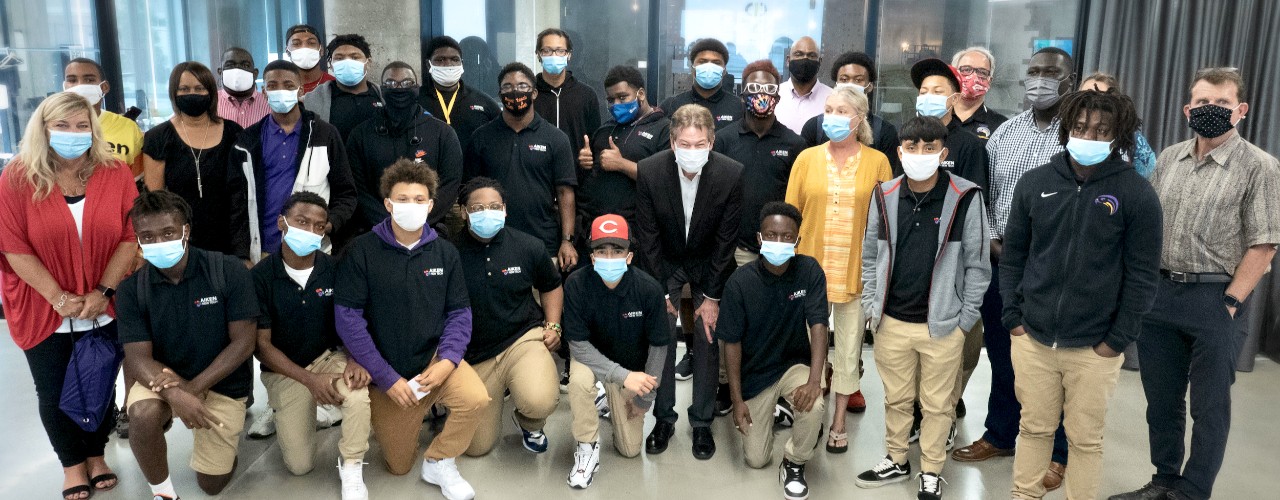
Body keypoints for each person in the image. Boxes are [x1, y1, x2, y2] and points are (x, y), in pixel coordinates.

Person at [1111, 67, 1280, 500]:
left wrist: (1230, 302)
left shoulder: (1260, 166)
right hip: (1161, 295)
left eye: (1222, 102)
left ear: (1241, 110)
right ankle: (1164, 479)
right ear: (1188, 109)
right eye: (1203, 102)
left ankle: (1193, 491)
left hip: (1216, 297)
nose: (1211, 109)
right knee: (1162, 401)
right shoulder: (1170, 158)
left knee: (1210, 406)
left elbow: (1264, 244)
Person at [1002, 89, 1162, 500]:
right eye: (1080, 127)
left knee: (1085, 441)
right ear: (1067, 129)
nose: (1088, 136)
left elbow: (1142, 278)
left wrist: (1115, 342)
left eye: (1101, 130)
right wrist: (1014, 320)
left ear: (1118, 136)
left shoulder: (1137, 193)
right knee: (1033, 429)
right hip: (1033, 340)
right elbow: (1014, 255)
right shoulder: (1035, 183)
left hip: (1095, 348)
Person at [0, 91, 138, 500]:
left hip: (103, 301)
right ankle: (71, 464)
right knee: (53, 389)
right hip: (40, 304)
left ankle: (96, 455)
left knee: (99, 379)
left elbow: (130, 235)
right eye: (62, 125)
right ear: (43, 129)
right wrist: (58, 298)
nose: (73, 133)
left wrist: (103, 291)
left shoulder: (115, 172)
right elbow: (13, 247)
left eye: (82, 126)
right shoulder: (17, 177)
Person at [953, 47, 1075, 493]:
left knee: (1051, 361)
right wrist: (990, 239)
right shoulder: (1007, 131)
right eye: (1034, 71)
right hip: (1000, 262)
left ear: (1069, 80)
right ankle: (1001, 435)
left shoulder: (1077, 134)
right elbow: (983, 194)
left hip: (1052, 267)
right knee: (1003, 354)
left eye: (1050, 73)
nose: (1040, 80)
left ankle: (1058, 452)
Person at [335, 159, 488, 500]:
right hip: (385, 370)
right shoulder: (361, 251)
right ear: (388, 204)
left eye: (419, 199)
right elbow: (348, 318)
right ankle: (399, 424)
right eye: (402, 199)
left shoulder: (445, 252)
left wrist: (448, 361)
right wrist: (386, 378)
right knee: (399, 465)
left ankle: (439, 460)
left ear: (431, 205)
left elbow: (459, 313)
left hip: (433, 360)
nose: (411, 206)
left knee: (476, 398)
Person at [855, 116, 990, 500]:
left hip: (943, 326)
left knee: (937, 405)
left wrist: (964, 321)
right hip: (891, 321)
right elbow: (869, 254)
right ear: (899, 152)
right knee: (897, 399)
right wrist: (872, 306)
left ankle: (931, 470)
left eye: (929, 148)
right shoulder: (884, 195)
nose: (920, 154)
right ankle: (897, 458)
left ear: (943, 154)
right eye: (912, 147)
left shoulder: (965, 197)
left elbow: (978, 266)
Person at [117, 190, 258, 498]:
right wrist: (174, 394)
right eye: (147, 236)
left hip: (221, 383)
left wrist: (192, 390)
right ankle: (163, 493)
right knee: (142, 414)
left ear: (186, 231)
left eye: (168, 232)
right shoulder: (131, 290)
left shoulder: (228, 270)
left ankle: (226, 448)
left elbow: (244, 343)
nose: (158, 242)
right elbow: (137, 359)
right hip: (162, 378)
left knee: (212, 485)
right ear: (138, 240)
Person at [785, 86, 893, 446]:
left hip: (855, 271)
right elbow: (790, 215)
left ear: (859, 118)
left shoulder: (878, 162)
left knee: (848, 349)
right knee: (806, 347)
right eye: (828, 110)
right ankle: (809, 414)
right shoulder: (806, 159)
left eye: (841, 111)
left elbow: (885, 220)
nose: (832, 116)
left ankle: (839, 421)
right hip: (810, 271)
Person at [635, 104, 743, 460]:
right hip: (664, 261)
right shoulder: (650, 171)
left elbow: (726, 241)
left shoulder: (731, 174)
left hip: (708, 263)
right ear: (672, 142)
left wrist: (711, 297)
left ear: (711, 143)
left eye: (699, 144)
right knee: (662, 334)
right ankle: (663, 418)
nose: (692, 151)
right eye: (684, 144)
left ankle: (701, 422)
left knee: (707, 335)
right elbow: (647, 236)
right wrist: (659, 292)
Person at [251, 191, 372, 500]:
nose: (310, 231)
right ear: (282, 223)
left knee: (357, 393)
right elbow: (262, 346)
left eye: (319, 226)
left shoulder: (335, 268)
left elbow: (350, 321)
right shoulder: (260, 277)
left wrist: (354, 359)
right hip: (285, 370)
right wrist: (309, 380)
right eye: (302, 222)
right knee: (300, 466)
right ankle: (295, 411)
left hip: (328, 357)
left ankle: (352, 465)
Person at [720, 201, 828, 500]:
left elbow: (819, 325)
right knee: (756, 460)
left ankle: (794, 462)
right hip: (756, 373)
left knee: (814, 404)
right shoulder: (739, 283)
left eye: (786, 237)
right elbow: (731, 343)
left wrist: (814, 380)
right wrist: (736, 399)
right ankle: (779, 411)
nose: (778, 242)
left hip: (794, 365)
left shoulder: (809, 270)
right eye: (771, 235)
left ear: (797, 240)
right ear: (759, 238)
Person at [453, 177, 562, 456]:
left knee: (538, 399)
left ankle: (529, 422)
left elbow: (551, 285)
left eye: (494, 206)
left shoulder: (528, 246)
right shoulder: (448, 253)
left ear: (504, 209)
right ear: (463, 212)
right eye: (477, 208)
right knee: (476, 448)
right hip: (474, 353)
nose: (486, 213)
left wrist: (553, 325)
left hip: (521, 339)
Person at [563, 214, 669, 488]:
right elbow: (578, 346)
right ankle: (587, 446)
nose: (609, 257)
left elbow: (659, 346)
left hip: (631, 368)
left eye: (617, 250)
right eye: (601, 251)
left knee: (630, 449)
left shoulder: (649, 289)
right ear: (592, 256)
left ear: (630, 256)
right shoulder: (575, 284)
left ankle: (605, 399)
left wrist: (646, 399)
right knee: (579, 383)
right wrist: (622, 376)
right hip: (592, 360)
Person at [227, 59, 358, 262]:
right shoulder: (246, 142)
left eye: (288, 85)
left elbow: (346, 192)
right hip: (262, 252)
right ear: (264, 92)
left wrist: (329, 223)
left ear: (300, 91)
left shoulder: (325, 134)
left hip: (313, 250)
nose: (280, 91)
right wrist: (242, 254)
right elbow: (236, 204)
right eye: (273, 86)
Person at [465, 62, 578, 271]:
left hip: (544, 243)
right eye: (507, 87)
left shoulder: (556, 138)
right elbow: (470, 192)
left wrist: (567, 241)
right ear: (500, 94)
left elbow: (565, 193)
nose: (515, 91)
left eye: (522, 86)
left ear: (534, 93)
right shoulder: (481, 138)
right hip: (492, 242)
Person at [347, 61, 462, 234]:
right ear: (382, 89)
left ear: (416, 88)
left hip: (428, 230)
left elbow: (450, 185)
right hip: (375, 231)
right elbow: (358, 188)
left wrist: (418, 221)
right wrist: (389, 225)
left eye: (407, 83)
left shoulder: (443, 133)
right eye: (391, 83)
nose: (399, 88)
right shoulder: (361, 135)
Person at [141, 61, 243, 257]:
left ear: (211, 92)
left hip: (230, 239)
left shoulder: (234, 133)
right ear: (174, 93)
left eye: (199, 88)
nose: (192, 94)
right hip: (180, 242)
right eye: (184, 89)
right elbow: (156, 200)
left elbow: (242, 194)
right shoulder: (157, 137)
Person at [715, 60, 807, 266]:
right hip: (736, 248)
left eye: (768, 89)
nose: (761, 94)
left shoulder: (795, 144)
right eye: (754, 88)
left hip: (779, 248)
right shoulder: (723, 140)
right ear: (742, 96)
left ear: (777, 98)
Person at [576, 65, 671, 261]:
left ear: (640, 94)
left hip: (638, 232)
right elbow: (590, 176)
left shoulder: (664, 130)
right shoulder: (605, 129)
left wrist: (622, 164)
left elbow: (665, 181)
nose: (616, 104)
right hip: (597, 227)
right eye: (611, 100)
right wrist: (585, 162)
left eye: (622, 97)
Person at [800, 51, 901, 172]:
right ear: (836, 84)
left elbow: (888, 178)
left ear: (869, 86)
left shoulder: (885, 132)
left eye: (858, 80)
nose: (850, 85)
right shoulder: (814, 127)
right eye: (844, 79)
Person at [908, 58, 988, 191]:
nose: (928, 97)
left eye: (937, 92)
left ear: (955, 98)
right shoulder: (907, 138)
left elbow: (975, 196)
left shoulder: (969, 145)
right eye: (923, 92)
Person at [62, 58, 144, 179]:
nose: (79, 85)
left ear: (104, 87)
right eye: (72, 80)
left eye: (89, 80)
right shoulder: (52, 127)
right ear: (64, 86)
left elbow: (136, 179)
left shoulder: (128, 127)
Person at [418, 36, 501, 155]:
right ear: (428, 64)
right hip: (426, 166)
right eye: (440, 59)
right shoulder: (416, 100)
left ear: (462, 63)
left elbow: (501, 138)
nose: (448, 64)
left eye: (454, 59)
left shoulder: (484, 102)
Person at [300, 34, 385, 140]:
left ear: (368, 63)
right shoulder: (311, 101)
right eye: (339, 58)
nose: (347, 62)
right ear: (330, 65)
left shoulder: (383, 97)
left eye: (355, 57)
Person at [533, 28, 601, 158]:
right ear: (538, 54)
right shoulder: (529, 94)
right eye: (547, 51)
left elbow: (596, 140)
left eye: (560, 51)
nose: (554, 56)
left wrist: (590, 158)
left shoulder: (587, 95)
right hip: (536, 169)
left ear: (568, 55)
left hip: (576, 169)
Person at [1078, 72, 1158, 179]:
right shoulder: (1061, 131)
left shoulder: (1131, 139)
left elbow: (1150, 179)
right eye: (1085, 97)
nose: (1092, 104)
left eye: (1101, 99)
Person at [659, 38, 742, 130]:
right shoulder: (671, 105)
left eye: (716, 63)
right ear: (692, 68)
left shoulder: (739, 107)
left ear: (724, 70)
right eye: (702, 62)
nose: (709, 67)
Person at [949, 47, 1008, 141]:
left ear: (989, 81)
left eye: (982, 72)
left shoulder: (1002, 126)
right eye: (966, 70)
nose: (974, 77)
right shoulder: (939, 117)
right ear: (954, 75)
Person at [775, 37, 831, 134]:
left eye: (811, 55)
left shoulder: (832, 98)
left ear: (820, 62)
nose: (805, 59)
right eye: (798, 54)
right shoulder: (774, 94)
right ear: (788, 60)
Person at [216, 47, 270, 129]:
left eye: (245, 65)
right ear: (220, 72)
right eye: (230, 65)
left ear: (255, 74)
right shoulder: (211, 102)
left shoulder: (269, 103)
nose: (238, 70)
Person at [285, 24, 334, 96]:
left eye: (311, 43)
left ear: (321, 50)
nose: (304, 47)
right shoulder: (282, 88)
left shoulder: (334, 85)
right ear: (288, 52)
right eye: (296, 44)